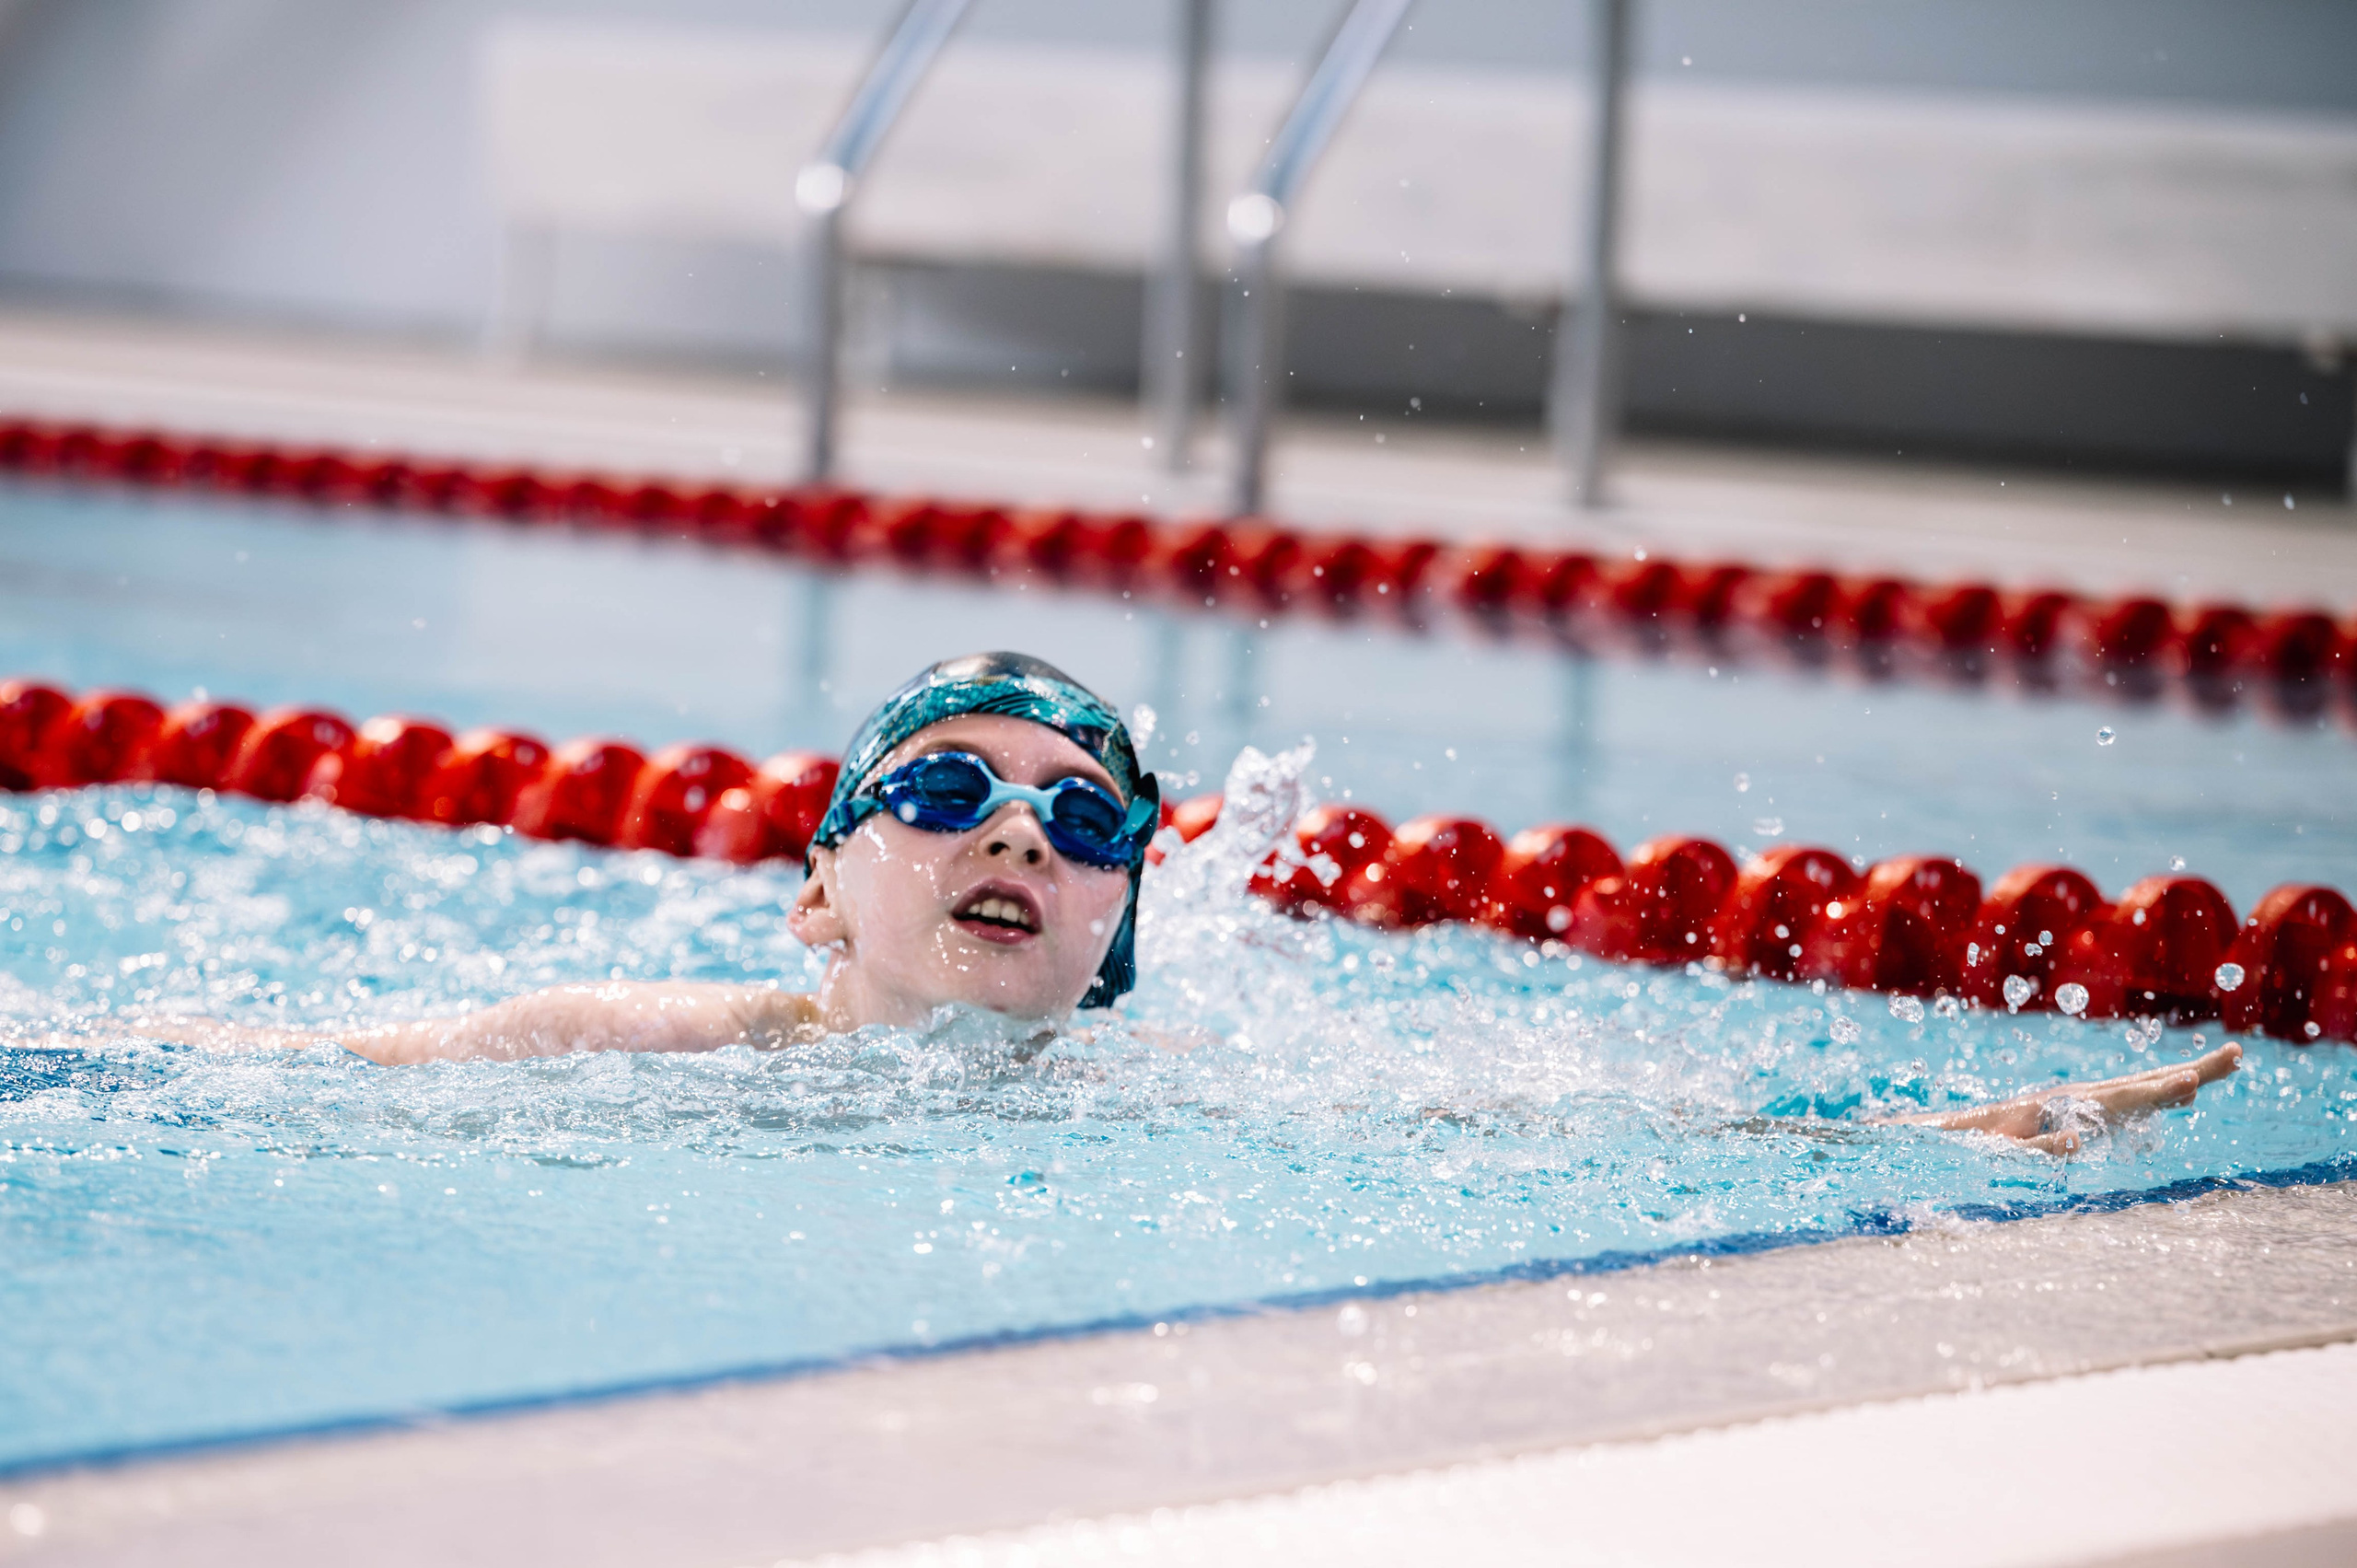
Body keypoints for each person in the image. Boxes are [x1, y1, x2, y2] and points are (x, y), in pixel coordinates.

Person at [140, 649, 2239, 1155]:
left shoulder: (1215, 1096)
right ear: (815, 892)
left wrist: (1916, 1127)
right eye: (948, 790)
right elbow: (239, 1061)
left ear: (1122, 920)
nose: (1017, 839)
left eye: (1080, 822)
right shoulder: (610, 1047)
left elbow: (1557, 1131)